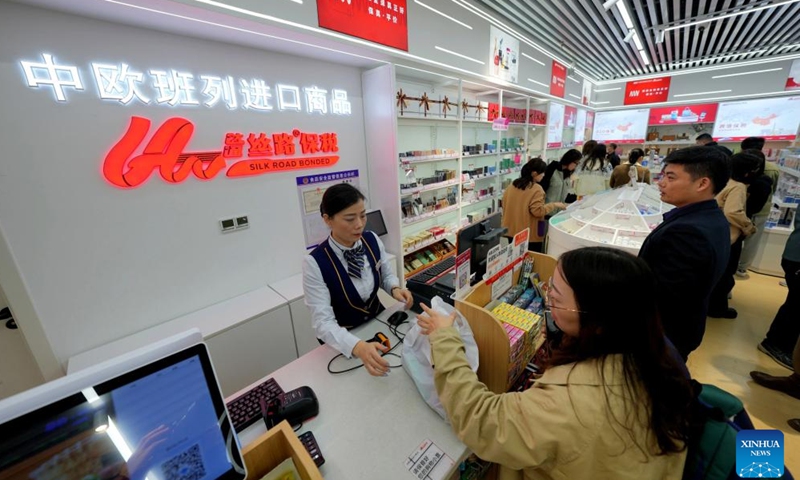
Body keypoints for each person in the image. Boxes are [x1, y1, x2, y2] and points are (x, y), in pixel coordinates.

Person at [417, 247, 693, 479]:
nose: (546, 301)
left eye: (555, 298)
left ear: (596, 319)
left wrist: (444, 337)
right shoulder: (655, 354)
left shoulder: (570, 401)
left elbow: (482, 421)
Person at [303, 183, 413, 376]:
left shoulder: (371, 240)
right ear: (327, 219)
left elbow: (385, 274)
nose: (359, 224)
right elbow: (323, 323)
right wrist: (357, 347)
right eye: (349, 218)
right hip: (343, 342)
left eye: (362, 215)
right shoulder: (314, 263)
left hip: (378, 324)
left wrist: (395, 288)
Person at [638, 146, 731, 360]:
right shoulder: (713, 218)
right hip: (681, 330)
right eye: (662, 175)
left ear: (702, 183)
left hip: (660, 335)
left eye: (670, 177)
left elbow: (664, 296)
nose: (661, 183)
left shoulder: (687, 233)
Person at [708, 152, 760, 319]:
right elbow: (733, 212)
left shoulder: (723, 181)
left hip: (716, 232)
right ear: (748, 172)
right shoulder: (738, 187)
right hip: (729, 236)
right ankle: (717, 308)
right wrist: (748, 227)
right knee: (725, 274)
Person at [757, 207, 800, 369]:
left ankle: (780, 344)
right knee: (795, 306)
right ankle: (776, 345)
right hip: (797, 259)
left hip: (794, 256)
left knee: (795, 303)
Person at [501, 157, 566, 252]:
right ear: (534, 174)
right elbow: (538, 211)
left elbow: (504, 205)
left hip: (511, 231)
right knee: (530, 262)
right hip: (529, 235)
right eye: (542, 172)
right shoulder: (536, 189)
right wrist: (554, 205)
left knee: (515, 260)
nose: (544, 175)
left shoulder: (512, 186)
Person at [737, 137, 781, 277]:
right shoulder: (772, 168)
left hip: (741, 207)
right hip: (761, 209)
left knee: (736, 239)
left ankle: (733, 267)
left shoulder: (740, 164)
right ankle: (742, 268)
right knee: (752, 241)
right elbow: (773, 188)